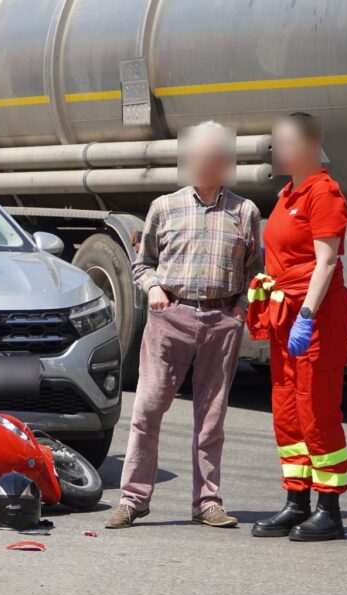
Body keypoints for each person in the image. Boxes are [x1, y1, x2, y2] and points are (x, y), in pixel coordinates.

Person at [106, 121, 263, 529]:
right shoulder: (164, 207)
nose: (198, 164)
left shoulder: (245, 213)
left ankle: (207, 502)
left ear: (224, 162)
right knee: (147, 410)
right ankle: (133, 499)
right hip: (170, 318)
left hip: (221, 320)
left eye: (207, 158)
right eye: (193, 157)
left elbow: (255, 273)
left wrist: (240, 311)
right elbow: (143, 264)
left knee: (211, 418)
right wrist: (154, 288)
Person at [247, 113, 347, 542]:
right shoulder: (288, 193)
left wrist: (306, 315)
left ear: (311, 146)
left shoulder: (323, 194)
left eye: (287, 142)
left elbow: (326, 262)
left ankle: (329, 509)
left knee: (317, 410)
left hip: (315, 316)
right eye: (276, 143)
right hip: (284, 313)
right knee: (288, 410)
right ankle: (297, 501)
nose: (279, 150)